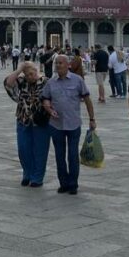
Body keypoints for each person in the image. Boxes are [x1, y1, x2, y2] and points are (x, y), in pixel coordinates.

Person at [41, 55, 96, 195]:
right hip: (56, 124)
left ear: (67, 65)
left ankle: (73, 184)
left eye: (60, 63)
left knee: (72, 155)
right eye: (56, 63)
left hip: (73, 124)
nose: (58, 65)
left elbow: (87, 99)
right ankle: (63, 183)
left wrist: (92, 118)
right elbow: (45, 99)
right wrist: (48, 108)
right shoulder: (51, 83)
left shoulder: (78, 80)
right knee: (59, 156)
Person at [5, 62, 50, 187]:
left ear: (37, 71)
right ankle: (27, 173)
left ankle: (37, 177)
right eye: (28, 74)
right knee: (23, 149)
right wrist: (19, 69)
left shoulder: (46, 82)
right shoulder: (22, 82)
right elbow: (9, 83)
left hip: (40, 122)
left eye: (32, 73)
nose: (31, 76)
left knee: (40, 150)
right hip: (23, 119)